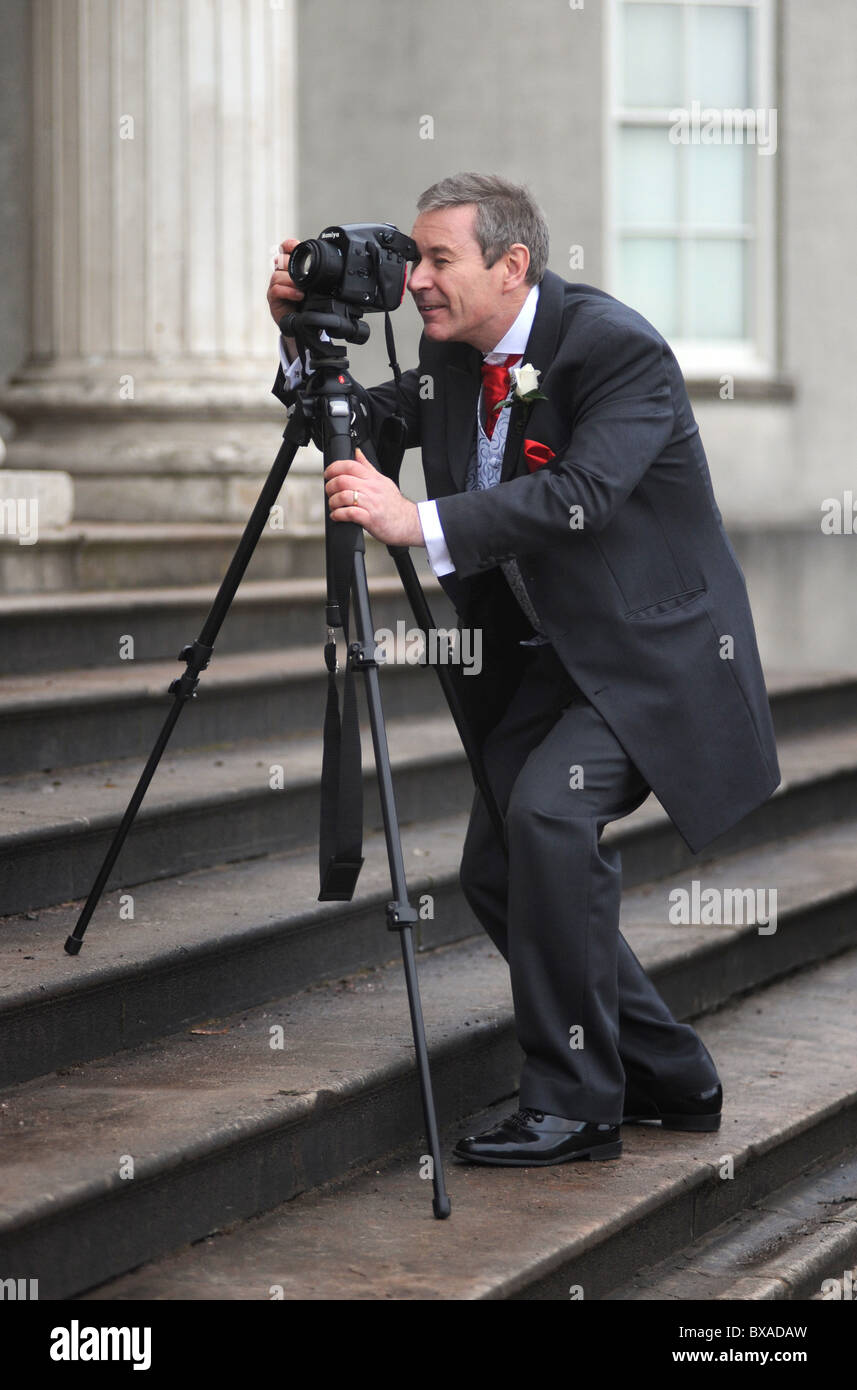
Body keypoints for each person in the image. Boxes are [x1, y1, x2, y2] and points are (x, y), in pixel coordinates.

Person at [266, 172, 780, 1167]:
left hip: (645, 657)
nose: (413, 279)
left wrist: (417, 522)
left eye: (436, 259)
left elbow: (581, 494)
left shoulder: (612, 348)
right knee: (498, 867)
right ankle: (668, 1071)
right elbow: (354, 422)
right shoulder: (451, 353)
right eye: (411, 259)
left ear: (510, 265)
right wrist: (301, 339)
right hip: (541, 661)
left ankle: (574, 1105)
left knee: (547, 816)